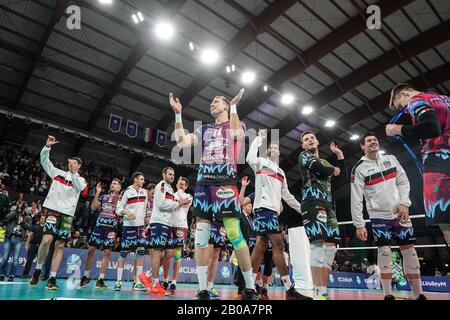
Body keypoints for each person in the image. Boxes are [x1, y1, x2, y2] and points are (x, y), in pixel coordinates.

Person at [170, 89, 258, 300]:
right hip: (203, 185)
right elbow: (181, 142)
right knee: (200, 239)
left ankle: (250, 288)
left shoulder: (236, 123)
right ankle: (202, 289)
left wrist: (236, 107)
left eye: (216, 101)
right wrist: (178, 114)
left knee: (235, 235)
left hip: (226, 184)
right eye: (211, 102)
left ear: (226, 106)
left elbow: (237, 134)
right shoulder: (204, 129)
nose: (211, 104)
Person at [351, 132, 426, 300]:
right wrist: (359, 224)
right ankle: (388, 295)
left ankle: (419, 294)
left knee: (410, 252)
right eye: (369, 141)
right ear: (363, 146)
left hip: (400, 213)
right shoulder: (359, 168)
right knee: (384, 252)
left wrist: (405, 203)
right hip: (378, 216)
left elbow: (404, 182)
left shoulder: (391, 159)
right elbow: (356, 198)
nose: (373, 142)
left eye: (375, 139)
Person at [246, 130, 312, 300]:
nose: (274, 149)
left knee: (261, 246)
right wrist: (259, 139)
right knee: (279, 245)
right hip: (262, 209)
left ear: (279, 153)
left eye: (277, 148)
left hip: (273, 212)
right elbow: (249, 158)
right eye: (272, 147)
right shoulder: (260, 162)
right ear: (268, 151)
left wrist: (303, 210)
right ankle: (289, 289)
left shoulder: (281, 173)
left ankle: (250, 287)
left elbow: (288, 196)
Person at [386, 84, 450, 247]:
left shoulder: (416, 100)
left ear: (405, 93)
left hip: (439, 163)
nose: (406, 110)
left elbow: (431, 127)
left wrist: (398, 129)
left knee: (445, 221)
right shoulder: (446, 99)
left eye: (401, 105)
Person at [29, 135, 87, 290]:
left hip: (67, 215)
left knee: (60, 245)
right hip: (54, 210)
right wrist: (47, 147)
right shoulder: (57, 173)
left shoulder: (81, 180)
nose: (71, 165)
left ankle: (52, 278)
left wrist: (75, 173)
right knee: (47, 240)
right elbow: (44, 162)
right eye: (71, 162)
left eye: (75, 163)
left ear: (79, 166)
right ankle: (38, 269)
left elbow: (79, 188)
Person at [299, 132, 347, 300]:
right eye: (306, 140)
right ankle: (318, 292)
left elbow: (343, 176)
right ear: (303, 145)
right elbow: (320, 169)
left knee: (332, 247)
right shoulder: (304, 155)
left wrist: (339, 155)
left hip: (328, 204)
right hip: (312, 201)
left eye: (312, 138)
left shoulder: (326, 161)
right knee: (318, 244)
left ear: (317, 141)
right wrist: (333, 169)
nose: (310, 140)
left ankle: (323, 290)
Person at [148, 168, 190, 295]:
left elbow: (173, 204)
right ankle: (155, 283)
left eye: (173, 174)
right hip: (159, 222)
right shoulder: (161, 185)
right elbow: (162, 205)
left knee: (170, 252)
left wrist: (178, 202)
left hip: (167, 224)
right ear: (163, 174)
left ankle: (148, 274)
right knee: (157, 253)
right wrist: (178, 202)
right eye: (170, 174)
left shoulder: (170, 189)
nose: (172, 176)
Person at [79, 179, 121, 289]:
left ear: (119, 187)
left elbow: (119, 210)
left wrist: (117, 196)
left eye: (115, 184)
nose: (112, 185)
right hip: (99, 227)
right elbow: (93, 207)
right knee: (91, 250)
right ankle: (86, 276)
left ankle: (100, 279)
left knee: (107, 253)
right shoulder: (103, 197)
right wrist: (98, 192)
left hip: (111, 228)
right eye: (112, 183)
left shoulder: (120, 199)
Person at [114, 172, 148, 291]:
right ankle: (118, 282)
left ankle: (137, 282)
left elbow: (145, 208)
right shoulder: (126, 192)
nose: (143, 181)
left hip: (140, 227)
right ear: (135, 179)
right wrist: (126, 212)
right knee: (123, 254)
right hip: (128, 226)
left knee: (141, 253)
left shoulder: (144, 192)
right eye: (141, 179)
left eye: (143, 179)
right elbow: (118, 209)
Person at [162, 176, 192, 295]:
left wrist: (178, 198)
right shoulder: (171, 194)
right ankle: (165, 280)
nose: (181, 185)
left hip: (181, 226)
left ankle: (174, 282)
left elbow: (184, 202)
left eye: (183, 184)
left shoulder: (189, 196)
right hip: (169, 225)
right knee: (167, 254)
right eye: (179, 183)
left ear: (186, 187)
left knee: (177, 255)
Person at [0, 204, 26, 281]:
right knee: (5, 257)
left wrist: (23, 222)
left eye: (24, 207)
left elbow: (27, 226)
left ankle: (12, 275)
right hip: (9, 237)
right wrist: (15, 213)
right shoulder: (14, 213)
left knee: (15, 259)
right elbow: (6, 219)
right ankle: (1, 274)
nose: (22, 209)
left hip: (19, 239)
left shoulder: (26, 216)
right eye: (21, 207)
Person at [138, 183, 156, 289]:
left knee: (153, 254)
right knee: (139, 253)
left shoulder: (156, 203)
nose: (153, 194)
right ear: (147, 191)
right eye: (151, 192)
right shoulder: (143, 201)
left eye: (154, 192)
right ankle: (138, 280)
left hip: (151, 230)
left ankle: (150, 279)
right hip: (141, 229)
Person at [22, 214, 46, 278]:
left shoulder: (47, 228)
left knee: (40, 261)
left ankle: (40, 275)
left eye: (44, 219)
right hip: (33, 245)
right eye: (42, 218)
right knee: (29, 260)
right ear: (39, 220)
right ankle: (25, 274)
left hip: (42, 246)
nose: (43, 220)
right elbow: (30, 235)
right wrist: (27, 243)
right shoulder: (35, 226)